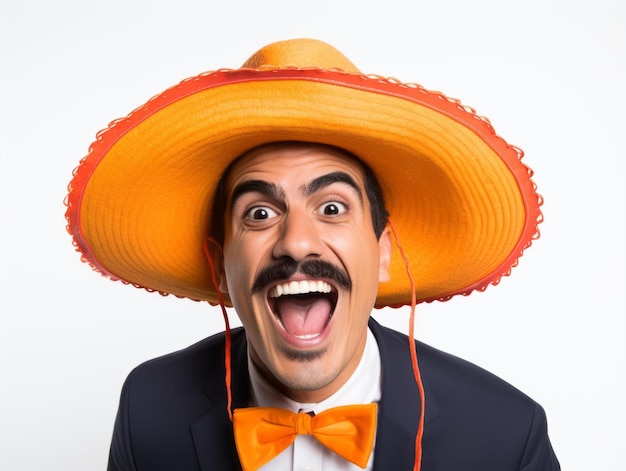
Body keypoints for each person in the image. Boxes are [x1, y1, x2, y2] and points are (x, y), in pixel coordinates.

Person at [66, 39, 560, 470]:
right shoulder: (147, 409)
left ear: (383, 252)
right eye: (259, 214)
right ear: (220, 266)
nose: (296, 242)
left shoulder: (506, 434)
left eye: (331, 207)